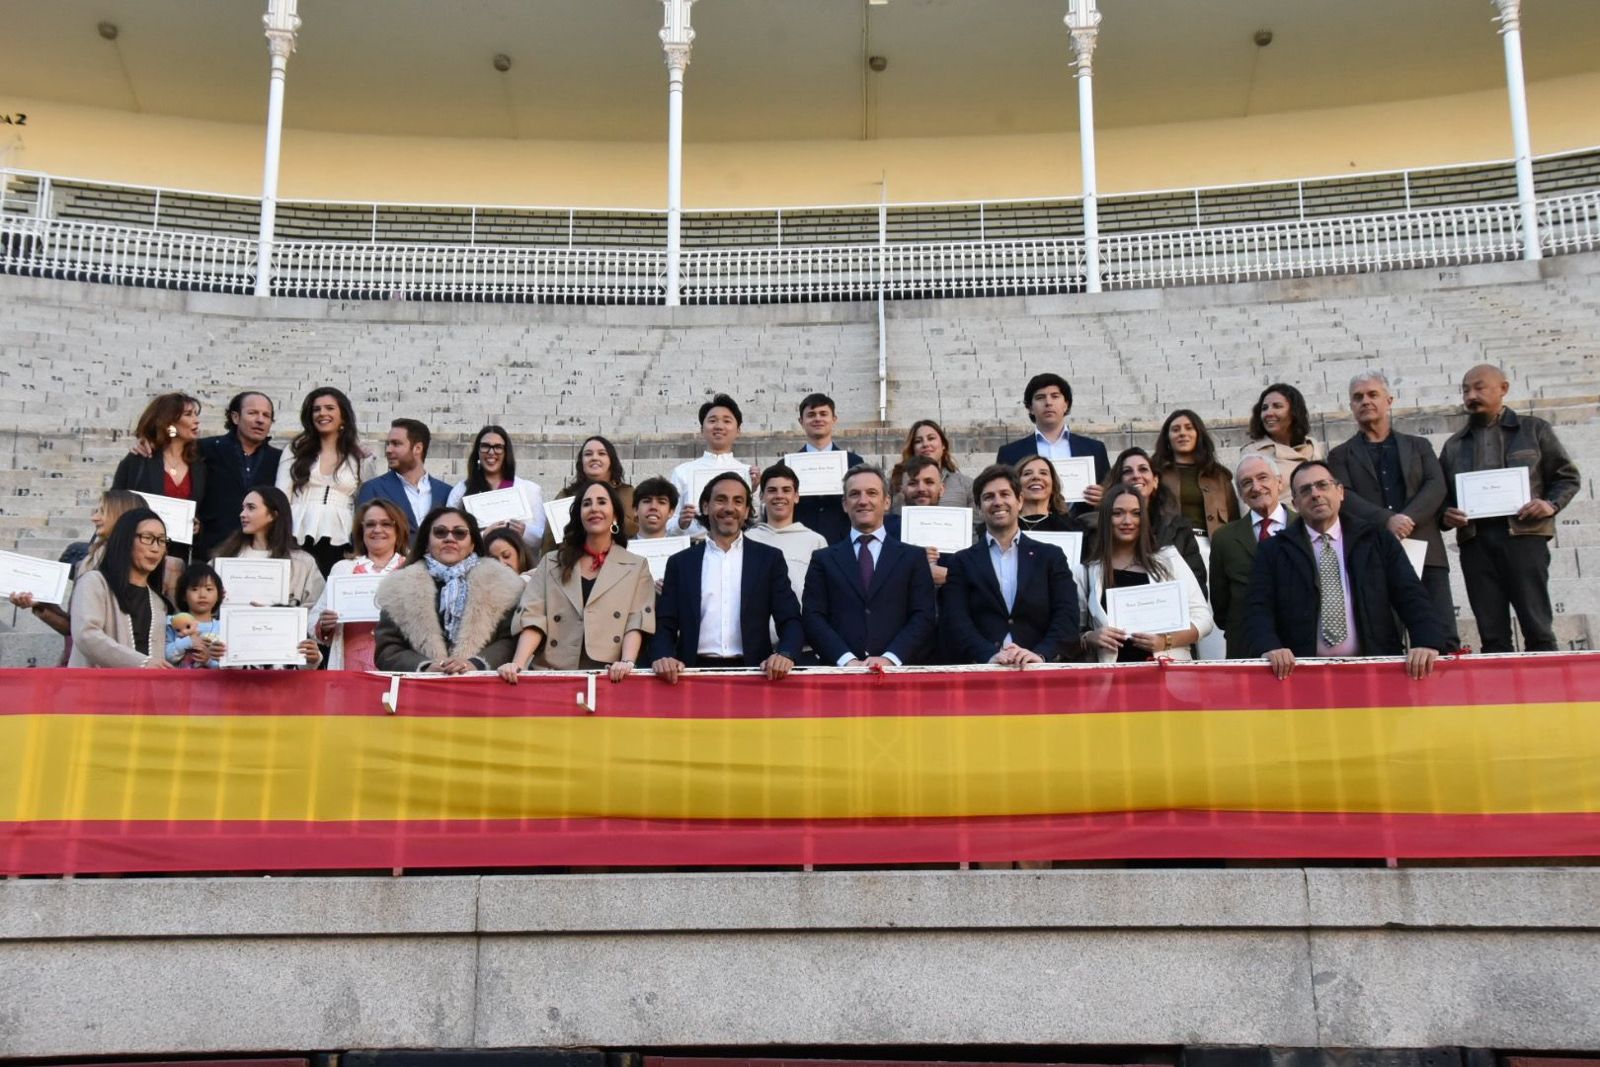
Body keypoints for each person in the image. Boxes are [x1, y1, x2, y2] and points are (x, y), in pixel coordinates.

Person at [1247, 461, 1445, 680]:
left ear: (1340, 492)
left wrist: (1426, 641)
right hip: (1301, 676)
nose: (1315, 494)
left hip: (1375, 673)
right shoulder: (1273, 551)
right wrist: (1269, 647)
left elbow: (1411, 594)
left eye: (1322, 485)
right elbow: (1259, 607)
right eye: (1305, 490)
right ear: (1295, 503)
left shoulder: (1377, 540)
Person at [1440, 364, 1581, 653]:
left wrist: (1550, 504)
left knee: (1538, 627)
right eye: (1465, 390)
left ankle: (1546, 681)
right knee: (1492, 634)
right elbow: (1441, 496)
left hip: (1524, 536)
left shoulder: (1534, 429)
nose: (1471, 395)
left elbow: (1567, 476)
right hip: (1475, 542)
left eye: (1479, 387)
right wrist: (1445, 514)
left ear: (1503, 388)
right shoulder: (1454, 445)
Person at [1327, 372, 1460, 653]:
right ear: (1351, 406)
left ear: (1389, 400)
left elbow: (1436, 485)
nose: (1365, 401)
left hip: (1426, 551)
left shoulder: (1419, 446)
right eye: (1358, 397)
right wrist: (1387, 520)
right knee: (1383, 641)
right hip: (1373, 556)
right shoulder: (1340, 455)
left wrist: (1407, 519)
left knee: (1442, 636)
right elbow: (1344, 496)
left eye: (1372, 394)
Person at [650, 472, 804, 682]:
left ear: (747, 511)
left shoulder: (769, 559)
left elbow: (790, 619)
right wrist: (663, 656)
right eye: (721, 500)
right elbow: (665, 623)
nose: (729, 508)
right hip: (690, 674)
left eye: (738, 501)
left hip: (756, 674)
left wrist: (785, 654)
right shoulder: (680, 563)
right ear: (706, 507)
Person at [501, 481, 656, 681]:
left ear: (615, 515)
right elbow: (533, 615)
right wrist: (518, 664)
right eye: (587, 503)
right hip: (553, 672)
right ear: (579, 515)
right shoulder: (551, 562)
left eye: (602, 502)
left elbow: (636, 620)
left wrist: (627, 662)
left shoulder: (636, 565)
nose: (594, 508)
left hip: (609, 675)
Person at [940, 465, 1079, 665]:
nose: (998, 502)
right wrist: (988, 655)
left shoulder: (1051, 557)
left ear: (1020, 501)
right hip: (983, 669)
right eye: (988, 497)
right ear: (979, 507)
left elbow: (1067, 614)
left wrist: (1040, 654)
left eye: (1005, 494)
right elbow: (955, 619)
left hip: (1038, 668)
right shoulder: (961, 562)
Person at [802, 465, 937, 668]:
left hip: (899, 672)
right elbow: (813, 617)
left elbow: (924, 615)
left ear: (887, 501)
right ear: (845, 504)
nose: (863, 501)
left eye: (872, 493)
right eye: (855, 494)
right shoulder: (823, 559)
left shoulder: (913, 558)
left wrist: (890, 658)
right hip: (841, 673)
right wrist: (847, 660)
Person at [374, 505, 526, 673]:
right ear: (427, 542)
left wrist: (476, 664)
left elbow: (511, 639)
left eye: (459, 533)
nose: (449, 538)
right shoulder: (398, 587)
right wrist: (425, 667)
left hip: (485, 684)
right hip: (419, 686)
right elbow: (388, 649)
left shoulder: (504, 583)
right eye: (440, 532)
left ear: (472, 544)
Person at [1078, 484, 1213, 664]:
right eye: (1117, 513)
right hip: (1114, 675)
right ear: (1105, 518)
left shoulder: (1170, 560)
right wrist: (1089, 637)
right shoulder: (1087, 571)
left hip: (1167, 672)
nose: (1128, 521)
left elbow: (1203, 619)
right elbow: (1073, 631)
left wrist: (1165, 641)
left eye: (1136, 513)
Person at [9, 488, 143, 659]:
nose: (94, 518)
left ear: (121, 516)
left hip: (132, 666)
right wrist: (40, 604)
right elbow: (74, 627)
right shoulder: (86, 563)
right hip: (84, 666)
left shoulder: (148, 566)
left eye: (102, 512)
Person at [276, 387, 374, 576]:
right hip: (298, 529)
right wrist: (280, 532)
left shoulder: (359, 455)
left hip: (342, 533)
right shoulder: (295, 450)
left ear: (343, 416)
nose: (322, 413)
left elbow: (365, 500)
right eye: (316, 409)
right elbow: (281, 493)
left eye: (329, 408)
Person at [1207, 456, 1293, 660]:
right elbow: (1221, 606)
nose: (1256, 487)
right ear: (1241, 495)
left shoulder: (1304, 527)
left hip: (1299, 648)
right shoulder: (1224, 538)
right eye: (1246, 483)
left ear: (1279, 482)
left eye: (1263, 477)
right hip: (1245, 647)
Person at [309, 499, 410, 670]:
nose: (377, 529)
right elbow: (315, 619)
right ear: (361, 531)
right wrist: (325, 624)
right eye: (370, 524)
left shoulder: (413, 570)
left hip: (400, 666)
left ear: (398, 529)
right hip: (351, 668)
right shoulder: (343, 569)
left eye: (386, 524)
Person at [67, 508, 174, 668]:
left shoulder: (158, 602)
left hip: (144, 685)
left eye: (162, 540)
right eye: (147, 538)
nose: (155, 548)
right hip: (96, 683)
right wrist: (142, 663)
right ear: (126, 540)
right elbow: (86, 635)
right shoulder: (94, 582)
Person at [110, 392, 207, 563]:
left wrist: (198, 525)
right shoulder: (139, 459)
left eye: (196, 414)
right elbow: (114, 503)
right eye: (188, 414)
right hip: (138, 553)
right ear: (169, 421)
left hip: (178, 557)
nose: (196, 420)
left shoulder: (200, 464)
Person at [995, 372, 1108, 509]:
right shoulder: (1009, 453)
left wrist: (1104, 496)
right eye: (1040, 397)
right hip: (1031, 521)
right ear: (1030, 408)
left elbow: (1111, 491)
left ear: (1066, 404)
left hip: (1082, 520)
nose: (1048, 402)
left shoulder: (1095, 449)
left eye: (1055, 396)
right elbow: (1002, 494)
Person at [195, 391, 281, 560]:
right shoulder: (205, 449)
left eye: (266, 415)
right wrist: (148, 442)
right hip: (210, 548)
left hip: (260, 553)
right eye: (253, 413)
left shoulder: (279, 459)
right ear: (235, 417)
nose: (260, 420)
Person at [1108, 446, 1207, 589]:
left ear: (1155, 481)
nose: (1136, 475)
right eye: (1127, 471)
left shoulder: (1179, 528)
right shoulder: (1099, 528)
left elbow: (1197, 583)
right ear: (1118, 483)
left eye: (1143, 469)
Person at [212, 487, 326, 609]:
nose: (242, 514)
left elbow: (316, 609)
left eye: (251, 508)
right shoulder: (225, 558)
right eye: (243, 508)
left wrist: (276, 613)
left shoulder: (303, 563)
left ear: (273, 515)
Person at [444, 425, 547, 551]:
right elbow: (449, 533)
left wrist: (525, 531)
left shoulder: (529, 490)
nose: (491, 452)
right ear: (477, 451)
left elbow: (544, 538)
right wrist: (483, 536)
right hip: (477, 561)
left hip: (518, 561)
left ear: (506, 452)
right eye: (485, 446)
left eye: (498, 447)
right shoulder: (461, 490)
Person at [671, 394, 760, 536]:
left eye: (727, 421)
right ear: (702, 429)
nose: (719, 426)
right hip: (694, 544)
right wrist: (680, 523)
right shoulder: (682, 472)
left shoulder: (748, 473)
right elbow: (668, 521)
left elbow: (755, 521)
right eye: (712, 421)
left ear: (738, 430)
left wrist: (753, 490)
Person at [789, 392, 865, 545]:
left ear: (834, 419)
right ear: (801, 421)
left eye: (823, 414)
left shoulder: (854, 463)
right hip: (801, 543)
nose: (817, 419)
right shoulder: (787, 465)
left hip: (843, 542)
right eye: (811, 415)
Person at [542, 435, 637, 552]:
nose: (594, 458)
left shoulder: (627, 493)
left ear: (611, 460)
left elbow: (636, 530)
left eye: (601, 453)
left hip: (619, 555)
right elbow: (549, 541)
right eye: (588, 454)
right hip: (573, 557)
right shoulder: (565, 496)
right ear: (581, 462)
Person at [1152, 409, 1237, 536]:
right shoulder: (1156, 475)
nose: (1182, 433)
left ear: (1199, 434)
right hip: (1169, 544)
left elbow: (1234, 520)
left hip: (1214, 544)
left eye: (1189, 428)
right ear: (1167, 438)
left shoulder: (1219, 477)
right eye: (1175, 429)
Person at [357, 418, 453, 529]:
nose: (388, 450)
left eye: (396, 444)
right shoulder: (372, 489)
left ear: (418, 448)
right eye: (388, 444)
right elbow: (360, 533)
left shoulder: (447, 492)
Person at [1239, 383, 1323, 486]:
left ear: (1294, 412)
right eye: (1264, 408)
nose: (1268, 413)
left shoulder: (1313, 446)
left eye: (1277, 406)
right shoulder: (1252, 452)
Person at [899, 454, 956, 588]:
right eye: (913, 483)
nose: (921, 489)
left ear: (941, 489)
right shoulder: (887, 532)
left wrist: (949, 576)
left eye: (929, 482)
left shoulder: (960, 530)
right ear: (902, 490)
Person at [892, 419, 973, 511]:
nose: (925, 444)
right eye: (918, 441)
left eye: (931, 438)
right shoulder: (895, 483)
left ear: (943, 444)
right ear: (913, 448)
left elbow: (976, 519)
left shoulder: (966, 485)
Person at [165, 562, 225, 669]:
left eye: (209, 589)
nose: (202, 595)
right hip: (179, 680)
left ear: (218, 595)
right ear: (183, 595)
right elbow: (166, 656)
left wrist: (208, 660)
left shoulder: (224, 627)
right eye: (195, 589)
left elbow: (230, 668)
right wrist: (189, 641)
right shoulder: (173, 622)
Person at [1016, 455, 1088, 534]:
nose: (1036, 477)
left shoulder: (1072, 528)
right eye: (1027, 473)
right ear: (1015, 485)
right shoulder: (1006, 525)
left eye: (1043, 473)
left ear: (1053, 486)